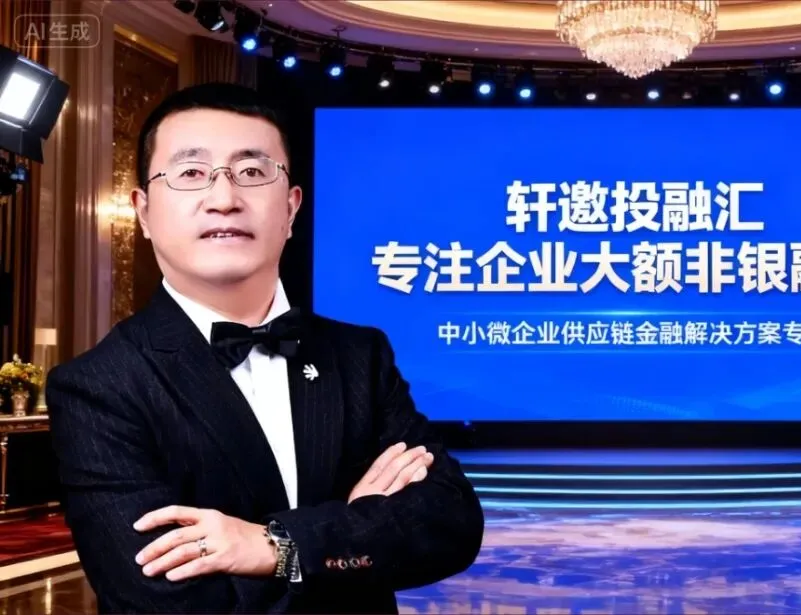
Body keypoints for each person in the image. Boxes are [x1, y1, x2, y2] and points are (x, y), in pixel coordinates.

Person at [46, 82, 484, 614]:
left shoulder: (359, 356)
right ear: (143, 211)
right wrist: (351, 533)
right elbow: (163, 602)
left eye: (252, 172)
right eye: (191, 173)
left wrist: (275, 546)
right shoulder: (98, 386)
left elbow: (450, 521)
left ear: (291, 208)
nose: (224, 198)